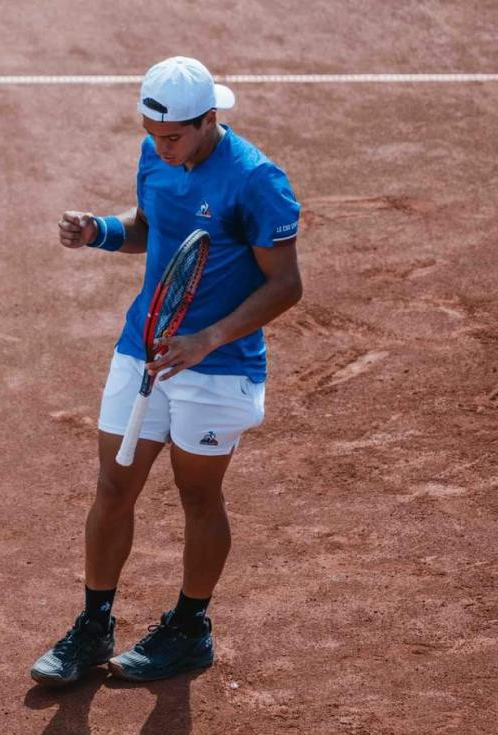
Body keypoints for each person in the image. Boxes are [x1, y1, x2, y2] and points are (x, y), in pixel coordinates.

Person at [30, 56, 303, 685]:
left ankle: (189, 629)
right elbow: (154, 232)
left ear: (210, 120)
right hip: (143, 348)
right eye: (153, 135)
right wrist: (98, 231)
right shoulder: (156, 154)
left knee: (198, 494)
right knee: (113, 487)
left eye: (174, 137)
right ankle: (94, 624)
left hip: (219, 364)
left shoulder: (257, 181)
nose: (161, 147)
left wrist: (206, 339)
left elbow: (286, 285)